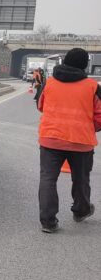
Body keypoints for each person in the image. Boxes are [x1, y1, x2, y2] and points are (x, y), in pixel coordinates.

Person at [37, 48, 99, 233]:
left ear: (64, 62)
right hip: (81, 142)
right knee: (81, 178)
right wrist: (88, 128)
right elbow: (100, 115)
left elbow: (41, 106)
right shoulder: (93, 86)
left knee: (48, 179)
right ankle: (81, 211)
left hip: (50, 139)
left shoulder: (50, 83)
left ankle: (48, 222)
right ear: (84, 65)